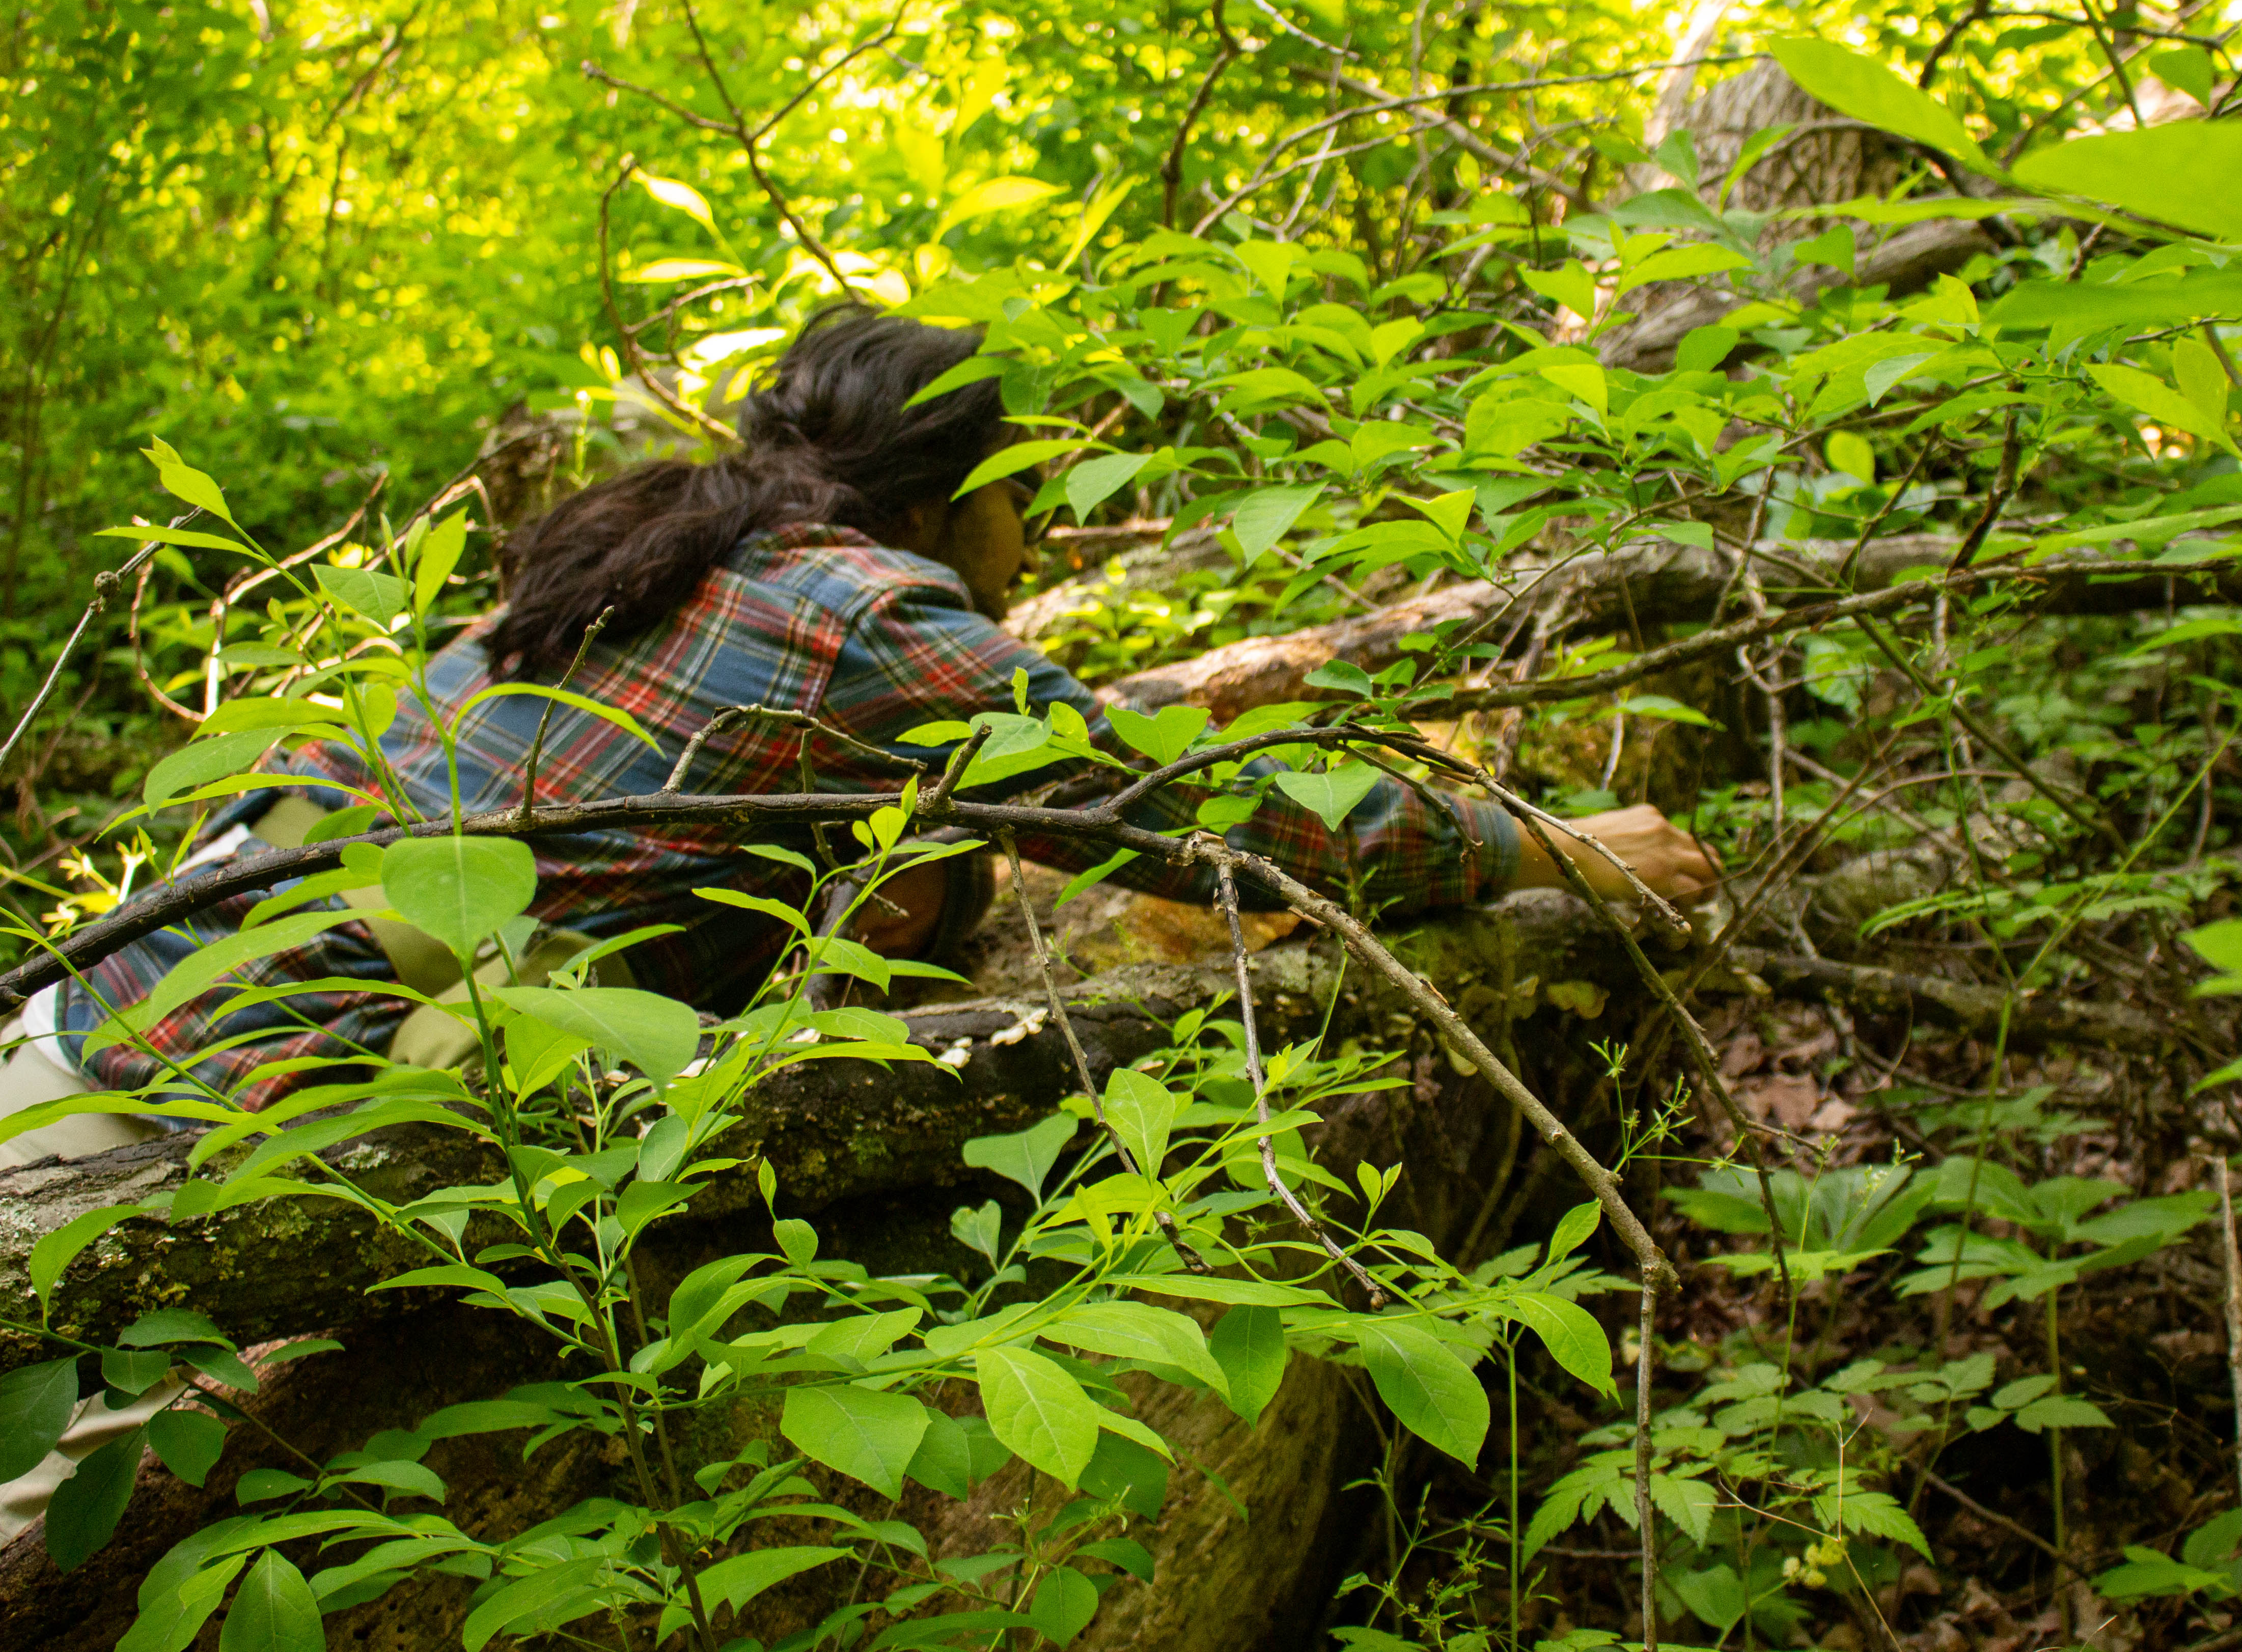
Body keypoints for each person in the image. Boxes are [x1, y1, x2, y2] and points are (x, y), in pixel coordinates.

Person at [2, 305, 1715, 1156]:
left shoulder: (655, 552)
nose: (1037, 545)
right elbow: (1209, 824)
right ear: (961, 497)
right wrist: (1552, 845)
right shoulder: (860, 618)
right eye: (1027, 502)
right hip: (206, 1140)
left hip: (109, 1014)